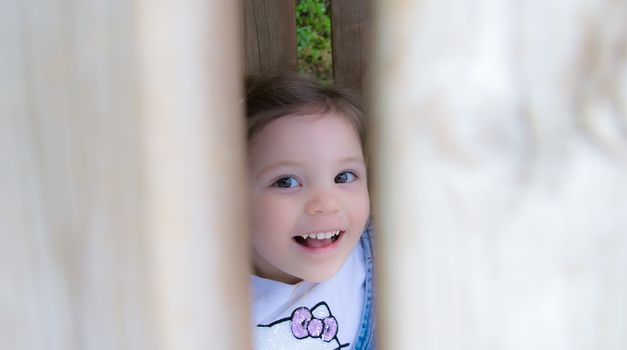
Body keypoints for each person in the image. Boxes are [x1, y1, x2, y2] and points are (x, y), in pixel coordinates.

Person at [245, 73, 375, 350]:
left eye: (344, 177)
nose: (326, 203)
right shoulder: (201, 308)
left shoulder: (383, 257)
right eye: (286, 182)